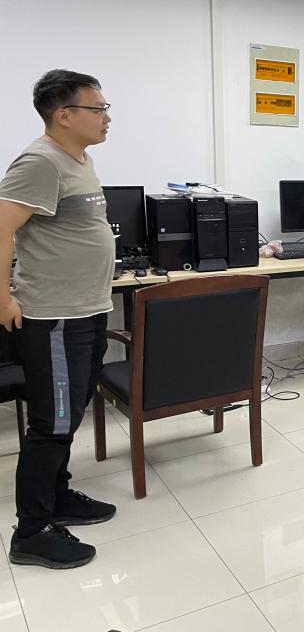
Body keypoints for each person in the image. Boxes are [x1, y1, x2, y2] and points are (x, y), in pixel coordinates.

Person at [0, 70, 118, 569]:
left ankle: (59, 497)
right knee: (52, 422)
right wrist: (3, 298)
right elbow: (1, 229)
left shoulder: (80, 160)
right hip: (54, 317)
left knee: (72, 413)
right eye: (98, 108)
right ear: (64, 115)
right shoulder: (40, 162)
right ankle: (31, 532)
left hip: (88, 308)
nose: (107, 117)